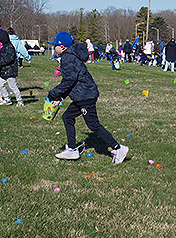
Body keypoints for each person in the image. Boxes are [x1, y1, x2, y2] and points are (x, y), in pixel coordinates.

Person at [46, 32, 129, 163]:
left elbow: (69, 81)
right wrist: (61, 96)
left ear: (62, 47)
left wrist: (53, 93)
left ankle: (118, 148)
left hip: (85, 96)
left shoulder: (68, 57)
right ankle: (72, 149)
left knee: (93, 125)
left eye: (55, 45)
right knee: (67, 117)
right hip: (82, 95)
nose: (53, 48)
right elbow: (72, 82)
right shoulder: (71, 55)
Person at [0, 30, 24, 107]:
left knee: (13, 87)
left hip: (10, 71)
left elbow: (10, 58)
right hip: (4, 71)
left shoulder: (9, 47)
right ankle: (7, 99)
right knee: (0, 84)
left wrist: (0, 63)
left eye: (0, 40)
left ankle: (20, 101)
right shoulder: (4, 47)